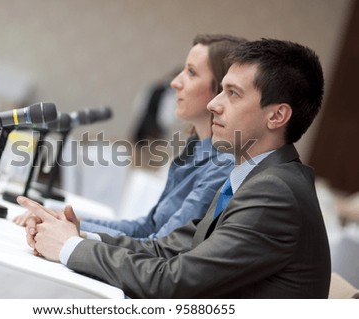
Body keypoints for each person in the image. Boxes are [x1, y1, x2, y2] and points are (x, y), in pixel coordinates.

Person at [18, 38, 331, 298]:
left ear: (277, 116)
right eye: (220, 90)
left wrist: (71, 247)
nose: (214, 104)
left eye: (233, 94)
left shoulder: (275, 192)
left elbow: (174, 282)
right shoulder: (250, 175)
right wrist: (76, 235)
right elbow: (166, 249)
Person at [15, 34, 245, 241]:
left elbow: (160, 246)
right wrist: (68, 221)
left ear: (221, 91)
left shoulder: (222, 164)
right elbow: (146, 226)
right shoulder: (195, 148)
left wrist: (78, 233)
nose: (175, 82)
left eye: (191, 73)